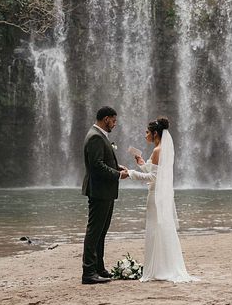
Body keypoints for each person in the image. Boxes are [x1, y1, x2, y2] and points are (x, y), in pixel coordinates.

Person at [128, 117, 196, 282]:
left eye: (147, 132)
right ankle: (163, 266)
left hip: (155, 196)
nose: (145, 135)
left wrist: (129, 173)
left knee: (154, 230)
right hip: (160, 195)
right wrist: (141, 163)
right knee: (159, 229)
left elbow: (153, 177)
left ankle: (158, 269)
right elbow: (155, 171)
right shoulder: (161, 149)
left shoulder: (158, 150)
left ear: (155, 133)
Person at [81, 106, 129, 284]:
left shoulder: (98, 135)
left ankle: (98, 268)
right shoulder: (95, 136)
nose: (115, 124)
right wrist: (117, 175)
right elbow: (96, 166)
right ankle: (88, 273)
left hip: (104, 191)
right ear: (106, 118)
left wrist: (117, 168)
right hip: (99, 191)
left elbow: (102, 162)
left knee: (101, 232)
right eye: (114, 121)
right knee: (94, 232)